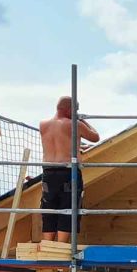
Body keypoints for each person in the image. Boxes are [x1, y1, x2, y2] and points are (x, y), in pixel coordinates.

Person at [37, 96, 99, 243]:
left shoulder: (43, 124)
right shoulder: (74, 124)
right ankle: (61, 245)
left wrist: (78, 146)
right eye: (75, 110)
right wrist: (82, 120)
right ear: (70, 109)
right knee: (68, 208)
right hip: (67, 173)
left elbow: (60, 141)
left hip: (48, 172)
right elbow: (95, 137)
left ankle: (48, 244)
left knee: (49, 208)